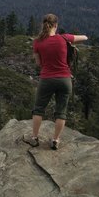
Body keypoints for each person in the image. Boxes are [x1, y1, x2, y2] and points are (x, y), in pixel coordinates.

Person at [24, 13, 88, 150]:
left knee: (38, 109)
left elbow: (38, 63)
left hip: (46, 78)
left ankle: (34, 138)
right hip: (65, 79)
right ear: (56, 25)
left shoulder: (37, 42)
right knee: (61, 112)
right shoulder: (64, 38)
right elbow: (85, 37)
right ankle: (55, 140)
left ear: (44, 25)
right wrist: (71, 41)